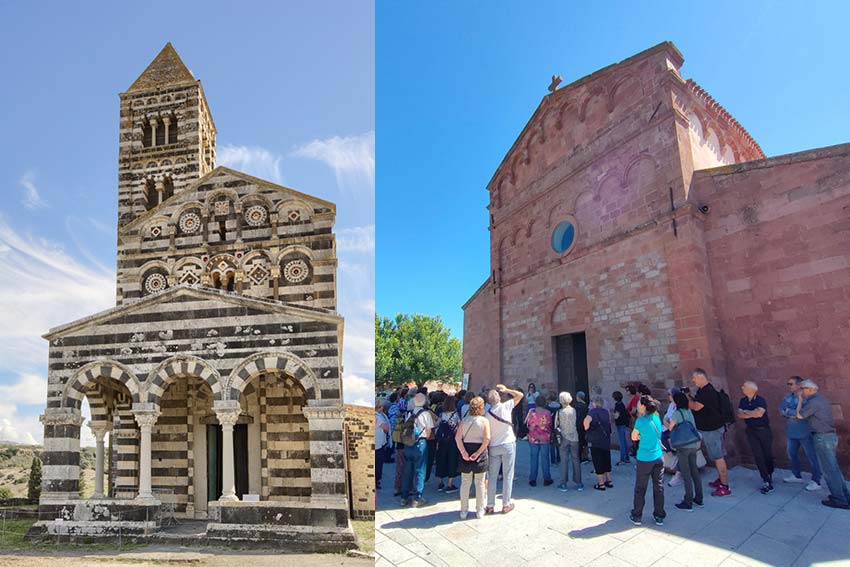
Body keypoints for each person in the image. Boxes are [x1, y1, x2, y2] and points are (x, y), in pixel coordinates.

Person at [797, 380, 850, 509]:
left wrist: (799, 400)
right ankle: (844, 496)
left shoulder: (813, 402)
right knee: (834, 468)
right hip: (829, 436)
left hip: (822, 437)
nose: (801, 391)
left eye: (802, 389)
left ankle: (840, 499)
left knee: (829, 470)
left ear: (809, 389)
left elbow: (799, 415)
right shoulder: (821, 399)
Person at [688, 368, 731, 497]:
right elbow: (697, 402)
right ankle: (721, 479)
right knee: (718, 455)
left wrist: (684, 399)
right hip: (713, 428)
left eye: (694, 377)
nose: (693, 380)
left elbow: (696, 406)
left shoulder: (707, 392)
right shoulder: (703, 391)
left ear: (701, 377)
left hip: (712, 429)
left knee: (718, 457)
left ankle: (725, 486)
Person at [485, 384, 523, 514]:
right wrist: (507, 390)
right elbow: (520, 395)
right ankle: (506, 504)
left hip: (494, 446)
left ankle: (490, 505)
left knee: (492, 476)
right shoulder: (505, 406)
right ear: (499, 398)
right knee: (508, 475)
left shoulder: (487, 415)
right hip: (507, 443)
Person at [779, 376, 822, 490]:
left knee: (811, 456)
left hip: (805, 432)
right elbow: (781, 410)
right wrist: (793, 413)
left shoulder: (806, 398)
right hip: (791, 431)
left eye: (791, 384)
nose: (789, 386)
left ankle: (816, 481)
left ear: (799, 385)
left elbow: (804, 413)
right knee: (791, 454)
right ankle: (796, 475)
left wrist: (791, 412)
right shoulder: (787, 396)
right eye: (788, 384)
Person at [630, 395, 666, 526]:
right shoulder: (656, 418)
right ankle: (659, 515)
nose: (638, 406)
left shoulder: (640, 421)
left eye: (639, 404)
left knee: (640, 488)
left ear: (644, 406)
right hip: (658, 457)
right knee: (659, 487)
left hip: (645, 458)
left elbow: (634, 437)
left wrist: (640, 435)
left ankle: (637, 515)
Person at [666, 391, 703, 511]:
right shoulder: (688, 412)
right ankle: (699, 498)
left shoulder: (677, 413)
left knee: (686, 473)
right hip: (693, 444)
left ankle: (688, 501)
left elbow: (670, 427)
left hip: (683, 446)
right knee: (694, 472)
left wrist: (666, 422)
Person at [455, 396, 490, 519]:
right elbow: (487, 439)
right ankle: (479, 510)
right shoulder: (484, 421)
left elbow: (457, 438)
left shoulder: (464, 421)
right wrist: (479, 452)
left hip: (466, 449)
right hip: (479, 451)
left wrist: (463, 452)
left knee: (465, 482)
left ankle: (463, 510)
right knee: (480, 483)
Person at [400, 393, 437, 507]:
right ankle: (417, 498)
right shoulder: (426, 414)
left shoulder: (408, 413)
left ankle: (404, 497)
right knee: (420, 470)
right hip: (420, 443)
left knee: (407, 471)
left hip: (408, 444)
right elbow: (429, 430)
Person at [738, 381, 775, 494]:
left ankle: (769, 473)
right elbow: (740, 414)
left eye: (744, 386)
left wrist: (747, 413)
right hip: (751, 431)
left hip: (763, 430)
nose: (742, 387)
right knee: (758, 455)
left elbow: (759, 414)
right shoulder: (743, 401)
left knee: (767, 454)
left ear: (751, 389)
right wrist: (752, 413)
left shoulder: (760, 400)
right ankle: (766, 480)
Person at [555, 392, 583, 492]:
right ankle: (579, 483)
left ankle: (563, 483)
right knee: (576, 460)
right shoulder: (574, 410)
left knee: (564, 461)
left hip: (564, 437)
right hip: (574, 436)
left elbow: (556, 425)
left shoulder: (560, 412)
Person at [584, 395, 612, 490]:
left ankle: (601, 483)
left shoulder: (592, 412)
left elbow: (586, 423)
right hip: (606, 439)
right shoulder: (606, 412)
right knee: (606, 459)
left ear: (594, 403)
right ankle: (609, 480)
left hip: (596, 440)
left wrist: (587, 428)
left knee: (598, 460)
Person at [525, 394, 554, 487]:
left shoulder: (531, 412)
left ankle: (532, 479)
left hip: (533, 437)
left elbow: (527, 424)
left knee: (534, 458)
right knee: (545, 458)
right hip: (545, 438)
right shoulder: (548, 413)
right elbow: (550, 425)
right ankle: (547, 478)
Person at [435, 396, 461, 493]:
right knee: (452, 461)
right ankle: (450, 484)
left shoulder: (442, 415)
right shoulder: (455, 415)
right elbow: (458, 428)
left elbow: (436, 425)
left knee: (441, 460)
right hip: (452, 441)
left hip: (442, 441)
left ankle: (440, 483)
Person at [375, 399, 391, 490]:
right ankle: (376, 480)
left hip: (376, 442)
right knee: (378, 462)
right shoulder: (378, 417)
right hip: (378, 443)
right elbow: (385, 428)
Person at [612, 391, 631, 465]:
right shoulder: (622, 404)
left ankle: (622, 459)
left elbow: (616, 416)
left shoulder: (618, 405)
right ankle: (627, 458)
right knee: (624, 441)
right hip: (623, 424)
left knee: (622, 442)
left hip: (620, 424)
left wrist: (613, 415)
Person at [574, 391, 589, 462]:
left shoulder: (576, 406)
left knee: (579, 441)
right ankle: (585, 456)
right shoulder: (586, 406)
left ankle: (579, 457)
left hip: (578, 425)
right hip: (585, 425)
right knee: (585, 441)